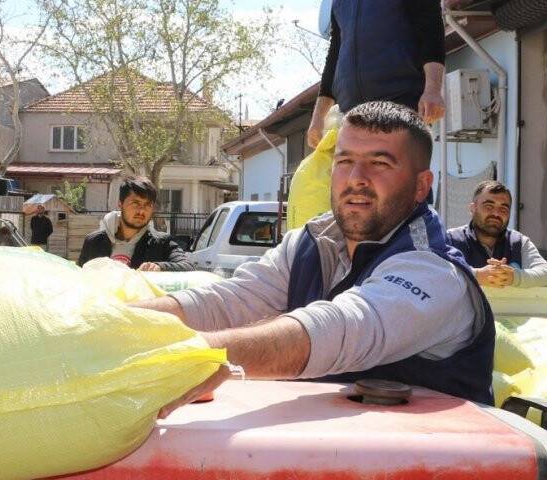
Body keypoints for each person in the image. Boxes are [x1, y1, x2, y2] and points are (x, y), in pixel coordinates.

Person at [140, 102, 494, 416]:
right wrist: (119, 324)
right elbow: (229, 301)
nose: (356, 179)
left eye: (380, 163)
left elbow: (336, 330)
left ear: (421, 186)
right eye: (345, 162)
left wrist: (206, 355)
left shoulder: (433, 271)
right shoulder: (310, 242)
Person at [307, 0, 447, 149]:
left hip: (400, 110)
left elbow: (432, 35)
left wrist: (433, 90)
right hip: (352, 117)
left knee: (400, 183)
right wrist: (318, 117)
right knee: (358, 186)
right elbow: (334, 56)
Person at [447, 181, 547, 288]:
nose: (496, 213)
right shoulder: (451, 239)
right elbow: (437, 273)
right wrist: (477, 275)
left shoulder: (518, 242)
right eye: (488, 206)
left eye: (503, 209)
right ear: (473, 208)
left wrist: (513, 276)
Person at [76, 176, 192, 272]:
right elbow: (78, 278)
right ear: (120, 204)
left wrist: (159, 267)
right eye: (136, 203)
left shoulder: (161, 243)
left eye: (147, 205)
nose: (141, 211)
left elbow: (188, 267)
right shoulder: (94, 242)